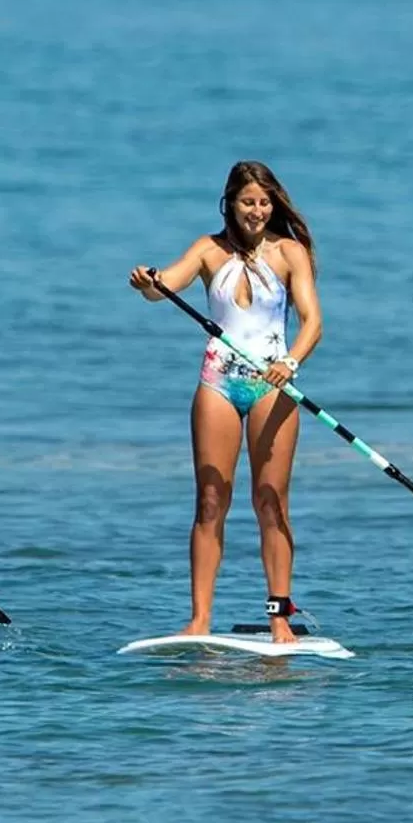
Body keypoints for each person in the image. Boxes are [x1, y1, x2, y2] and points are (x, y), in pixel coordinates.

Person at [129, 162, 322, 643]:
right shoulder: (208, 249)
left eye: (264, 202)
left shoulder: (289, 252)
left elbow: (312, 321)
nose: (257, 211)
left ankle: (279, 617)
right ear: (229, 204)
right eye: (247, 202)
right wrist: (147, 284)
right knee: (211, 500)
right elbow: (165, 287)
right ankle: (199, 620)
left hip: (273, 388)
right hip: (217, 382)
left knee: (270, 502)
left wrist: (290, 363)